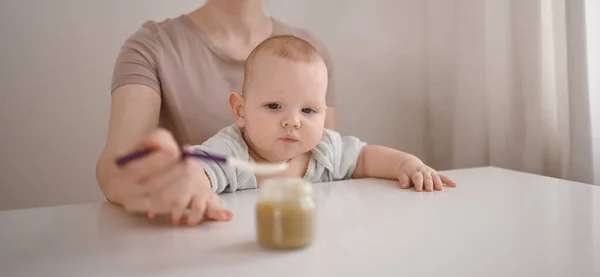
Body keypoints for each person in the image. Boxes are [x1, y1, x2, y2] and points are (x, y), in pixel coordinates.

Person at [96, 0, 338, 225]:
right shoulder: (151, 46)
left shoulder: (311, 54)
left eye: (307, 110)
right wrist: (158, 178)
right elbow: (115, 167)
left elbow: (327, 161)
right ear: (239, 109)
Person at [188, 35, 457, 204]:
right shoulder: (232, 151)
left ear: (324, 115)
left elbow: (364, 158)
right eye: (274, 106)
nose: (293, 121)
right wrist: (194, 188)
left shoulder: (324, 150)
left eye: (308, 111)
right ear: (240, 111)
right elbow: (199, 168)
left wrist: (406, 164)